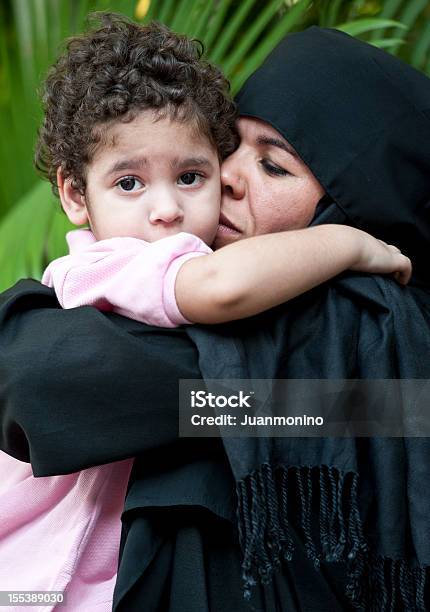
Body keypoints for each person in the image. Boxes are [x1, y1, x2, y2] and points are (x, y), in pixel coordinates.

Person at [1, 23, 430, 612]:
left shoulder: (363, 326)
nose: (223, 177)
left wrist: (210, 406)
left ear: (347, 209)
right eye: (230, 146)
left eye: (274, 167)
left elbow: (54, 383)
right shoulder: (147, 266)